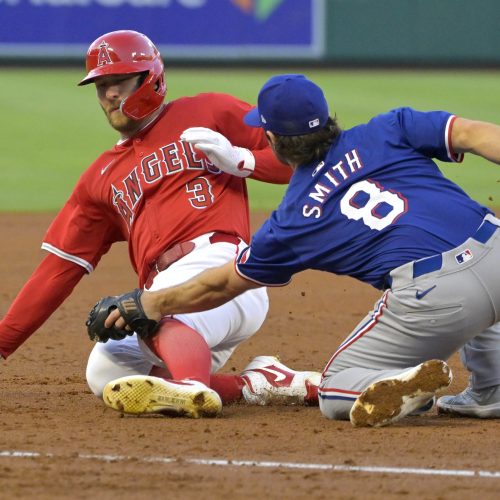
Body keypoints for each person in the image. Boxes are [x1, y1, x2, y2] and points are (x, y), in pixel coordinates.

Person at [104, 73, 500, 427]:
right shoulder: (388, 127)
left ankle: (389, 383)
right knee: (489, 299)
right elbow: (471, 133)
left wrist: (152, 302)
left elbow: (221, 284)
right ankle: (490, 391)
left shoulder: (293, 220)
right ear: (327, 117)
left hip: (438, 296)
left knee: (335, 389)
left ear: (272, 139)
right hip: (495, 244)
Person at [0, 34, 322, 419]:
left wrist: (241, 160)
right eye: (101, 86)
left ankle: (190, 386)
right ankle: (257, 384)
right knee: (107, 371)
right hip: (178, 301)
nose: (109, 94)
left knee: (150, 309)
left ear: (150, 78)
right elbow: (59, 270)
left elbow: (303, 160)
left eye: (119, 81)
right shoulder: (98, 178)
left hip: (225, 268)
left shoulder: (209, 111)